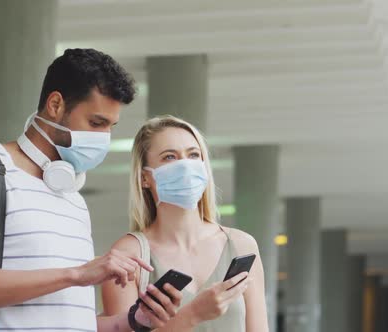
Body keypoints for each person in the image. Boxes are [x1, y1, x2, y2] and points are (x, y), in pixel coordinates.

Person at [0, 49, 182, 332]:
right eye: (96, 123)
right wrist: (77, 274)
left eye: (110, 126)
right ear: (55, 104)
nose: (103, 137)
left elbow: (71, 318)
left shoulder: (72, 198)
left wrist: (134, 321)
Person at [102, 116, 269, 331]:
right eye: (170, 157)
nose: (185, 165)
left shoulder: (240, 244)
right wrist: (193, 315)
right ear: (145, 177)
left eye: (193, 155)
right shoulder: (129, 254)